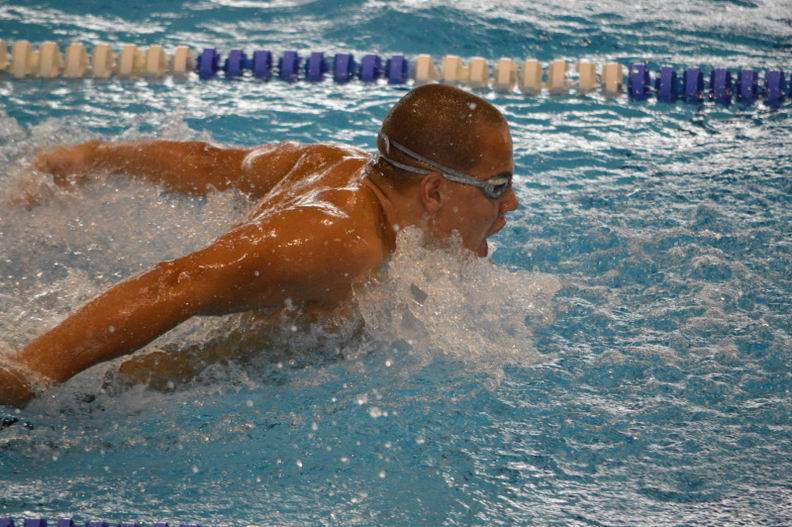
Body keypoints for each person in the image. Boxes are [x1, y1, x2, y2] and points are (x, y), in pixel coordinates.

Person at [0, 84, 518, 407]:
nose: (512, 204)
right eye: (497, 186)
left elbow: (208, 163)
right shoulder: (339, 241)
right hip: (110, 398)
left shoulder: (334, 163)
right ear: (434, 191)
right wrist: (30, 373)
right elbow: (176, 282)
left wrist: (91, 158)